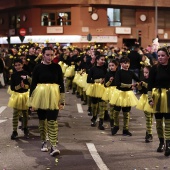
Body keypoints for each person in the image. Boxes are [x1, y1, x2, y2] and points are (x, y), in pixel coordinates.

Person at [29, 47, 65, 157]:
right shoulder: (38, 68)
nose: (50, 57)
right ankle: (44, 141)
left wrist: (62, 100)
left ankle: (53, 145)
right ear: (43, 55)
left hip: (54, 96)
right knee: (42, 120)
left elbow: (61, 84)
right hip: (40, 96)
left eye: (51, 55)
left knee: (52, 121)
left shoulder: (57, 67)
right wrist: (31, 102)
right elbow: (33, 84)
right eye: (47, 55)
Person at [147, 47, 170, 156]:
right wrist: (150, 98)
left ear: (168, 56)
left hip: (169, 96)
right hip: (157, 97)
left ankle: (168, 144)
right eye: (159, 55)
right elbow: (150, 85)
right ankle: (161, 142)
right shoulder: (154, 69)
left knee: (169, 121)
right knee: (159, 121)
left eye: (163, 55)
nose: (160, 58)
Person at [110, 56, 139, 136]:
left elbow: (138, 80)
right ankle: (116, 126)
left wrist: (138, 84)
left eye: (128, 63)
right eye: (125, 63)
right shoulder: (119, 72)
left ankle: (125, 129)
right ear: (121, 64)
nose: (127, 65)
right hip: (119, 94)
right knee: (116, 112)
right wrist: (129, 86)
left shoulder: (131, 72)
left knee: (126, 113)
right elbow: (117, 83)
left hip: (128, 94)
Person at [8, 58, 30, 139]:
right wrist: (19, 86)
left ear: (22, 65)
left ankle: (25, 127)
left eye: (19, 65)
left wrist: (25, 86)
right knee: (15, 114)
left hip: (25, 95)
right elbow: (12, 87)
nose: (17, 67)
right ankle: (14, 131)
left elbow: (29, 85)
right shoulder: (13, 75)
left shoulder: (26, 73)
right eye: (16, 65)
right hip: (17, 96)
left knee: (25, 114)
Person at [136, 65, 153, 142]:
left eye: (147, 72)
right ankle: (149, 133)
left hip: (153, 98)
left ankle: (149, 131)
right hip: (145, 98)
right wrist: (139, 86)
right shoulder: (143, 79)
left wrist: (145, 84)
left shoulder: (153, 79)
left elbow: (152, 88)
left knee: (151, 117)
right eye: (144, 72)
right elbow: (141, 91)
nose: (145, 74)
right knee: (148, 116)